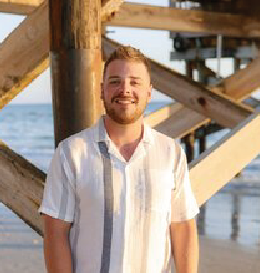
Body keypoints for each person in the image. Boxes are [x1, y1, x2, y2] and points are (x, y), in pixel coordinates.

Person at [39, 46, 200, 273]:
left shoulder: (171, 153)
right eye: (115, 81)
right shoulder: (71, 153)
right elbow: (56, 234)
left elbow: (183, 228)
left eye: (135, 82)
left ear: (149, 92)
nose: (125, 90)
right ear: (102, 90)